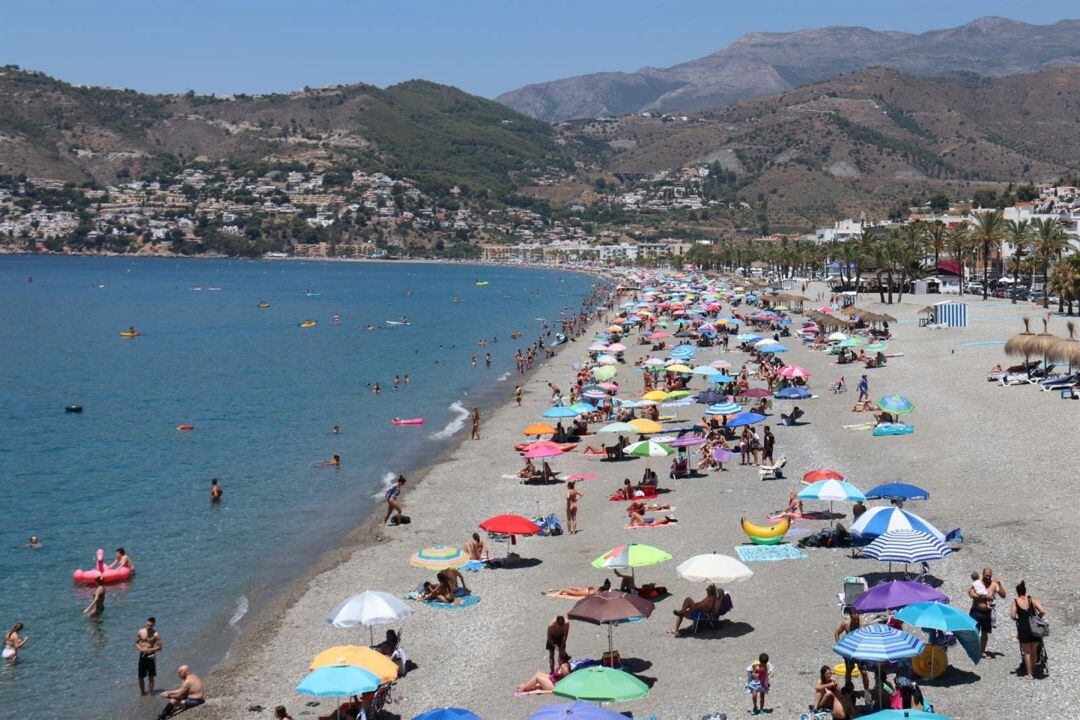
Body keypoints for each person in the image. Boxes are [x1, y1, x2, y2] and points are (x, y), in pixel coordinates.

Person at [1011, 580, 1047, 680]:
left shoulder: (1015, 601)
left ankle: (1029, 674)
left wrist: (1019, 618)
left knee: (1027, 652)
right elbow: (1042, 611)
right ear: (1025, 591)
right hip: (1034, 627)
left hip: (1023, 628)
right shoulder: (1031, 599)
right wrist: (1037, 618)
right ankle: (1034, 670)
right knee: (1034, 650)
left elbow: (1013, 616)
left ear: (1017, 592)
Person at [969, 567, 1006, 657]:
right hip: (976, 611)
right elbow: (971, 594)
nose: (988, 577)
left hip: (987, 613)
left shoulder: (994, 584)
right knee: (974, 631)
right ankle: (974, 649)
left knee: (985, 633)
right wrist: (985, 597)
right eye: (986, 576)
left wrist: (1000, 585)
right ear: (983, 575)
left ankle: (982, 651)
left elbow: (1003, 595)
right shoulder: (977, 583)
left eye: (989, 576)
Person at [836, 607, 869, 693]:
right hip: (849, 651)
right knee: (849, 670)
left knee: (864, 672)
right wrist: (839, 646)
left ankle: (866, 691)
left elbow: (869, 637)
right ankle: (848, 690)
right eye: (854, 620)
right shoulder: (845, 624)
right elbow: (837, 633)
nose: (856, 621)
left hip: (860, 651)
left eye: (857, 619)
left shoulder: (864, 624)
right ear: (850, 617)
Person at [136, 617, 163, 695]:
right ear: (146, 623)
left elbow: (160, 647)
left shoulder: (155, 634)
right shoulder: (141, 632)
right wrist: (140, 649)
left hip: (151, 655)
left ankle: (150, 694)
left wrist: (151, 649)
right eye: (148, 625)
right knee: (140, 676)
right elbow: (137, 642)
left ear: (154, 625)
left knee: (151, 675)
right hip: (142, 655)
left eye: (151, 625)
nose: (149, 627)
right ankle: (142, 692)